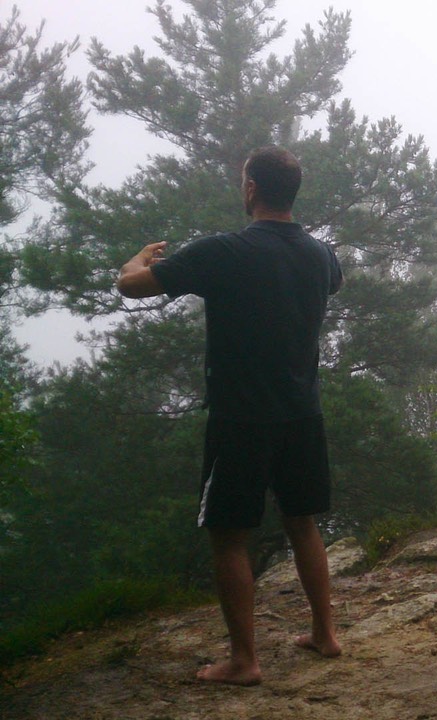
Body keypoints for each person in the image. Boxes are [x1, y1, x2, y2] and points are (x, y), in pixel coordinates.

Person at [116, 146, 343, 685]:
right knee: (302, 521)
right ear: (292, 192)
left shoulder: (222, 252)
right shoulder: (322, 255)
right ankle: (325, 635)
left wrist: (141, 257)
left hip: (241, 416)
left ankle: (244, 661)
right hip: (302, 411)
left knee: (228, 534)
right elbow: (329, 284)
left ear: (251, 189)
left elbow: (131, 286)